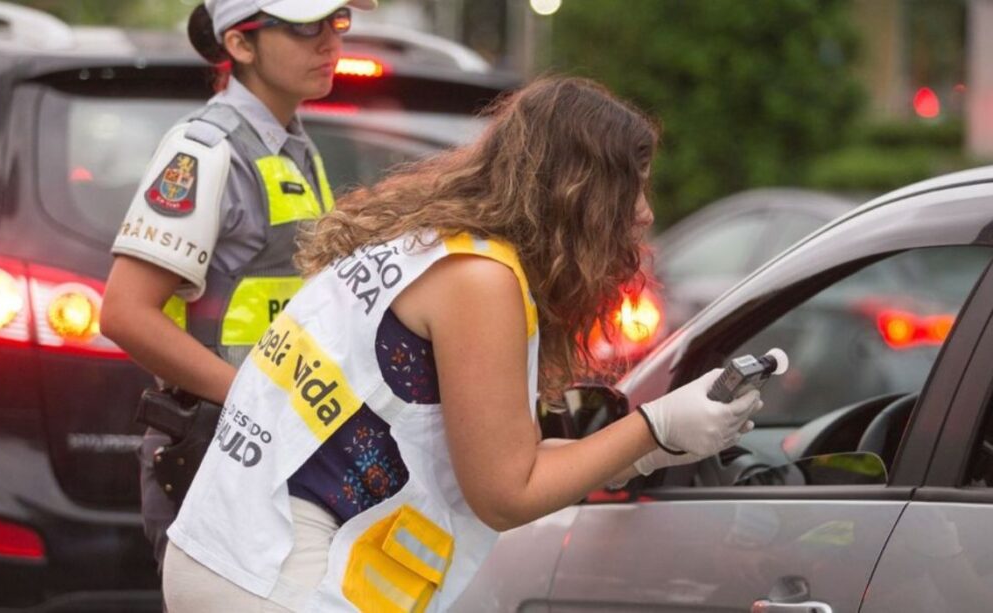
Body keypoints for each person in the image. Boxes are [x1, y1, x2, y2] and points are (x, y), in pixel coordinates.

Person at [162, 76, 764, 612]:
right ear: (581, 193)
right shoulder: (482, 281)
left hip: (233, 550)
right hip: (280, 577)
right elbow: (504, 495)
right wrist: (652, 427)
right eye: (631, 190)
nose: (643, 214)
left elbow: (503, 461)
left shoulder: (443, 247)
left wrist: (653, 450)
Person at [101, 0, 377, 575]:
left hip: (271, 449)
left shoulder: (293, 143)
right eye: (305, 27)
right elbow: (125, 313)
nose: (329, 42)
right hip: (216, 452)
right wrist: (257, 402)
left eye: (338, 22)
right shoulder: (205, 149)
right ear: (240, 44)